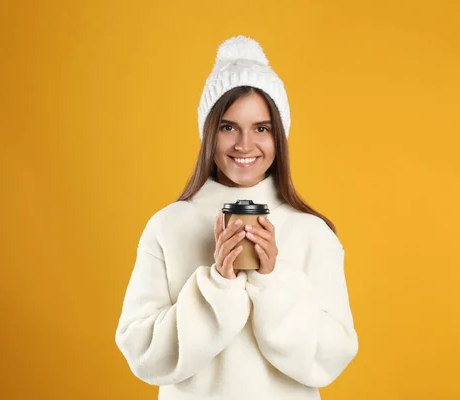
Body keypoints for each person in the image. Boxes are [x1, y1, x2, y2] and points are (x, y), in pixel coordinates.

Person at [115, 35, 358, 400]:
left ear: (280, 137)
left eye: (261, 128)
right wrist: (218, 285)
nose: (245, 145)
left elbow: (331, 355)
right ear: (209, 134)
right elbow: (143, 352)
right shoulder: (167, 226)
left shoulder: (313, 233)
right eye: (228, 127)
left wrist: (273, 281)